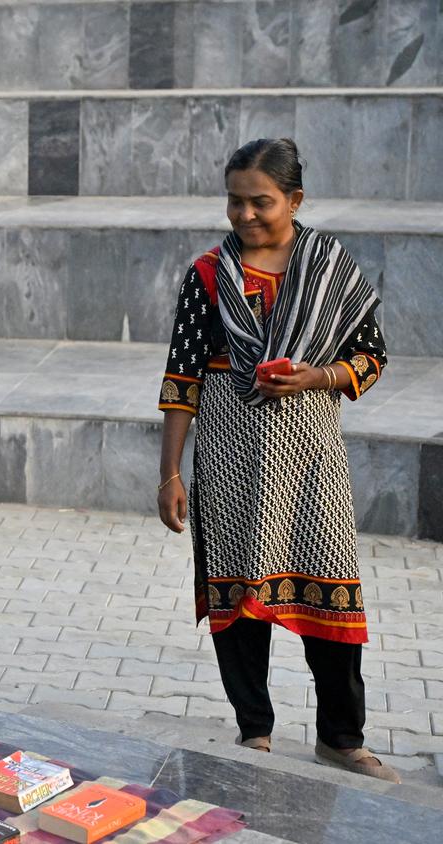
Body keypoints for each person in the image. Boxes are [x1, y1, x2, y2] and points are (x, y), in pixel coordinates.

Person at [156, 138, 397, 783]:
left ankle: (343, 738)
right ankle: (254, 732)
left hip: (309, 464)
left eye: (260, 202)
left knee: (332, 606)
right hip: (228, 464)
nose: (244, 215)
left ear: (294, 199)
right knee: (235, 608)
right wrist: (172, 474)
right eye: (234, 201)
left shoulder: (330, 268)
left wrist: (317, 376)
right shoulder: (207, 276)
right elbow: (182, 381)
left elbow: (371, 356)